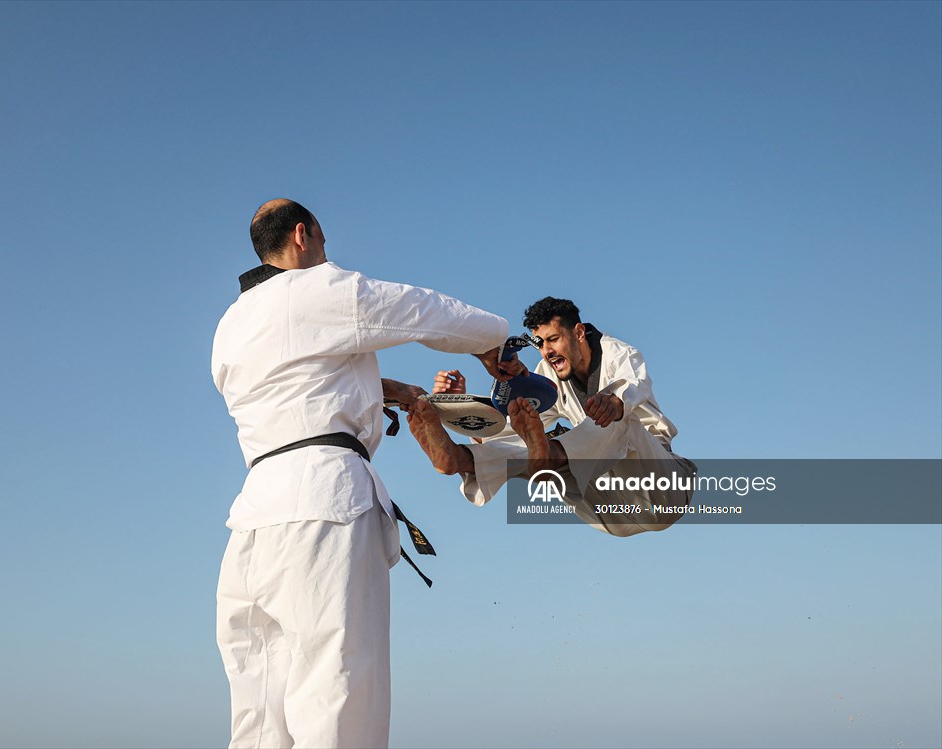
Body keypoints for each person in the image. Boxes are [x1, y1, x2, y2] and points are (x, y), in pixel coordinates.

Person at [211, 199, 511, 749]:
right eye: (323, 242)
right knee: (338, 695)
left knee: (259, 717)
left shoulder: (230, 325)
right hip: (323, 504)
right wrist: (493, 337)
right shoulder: (320, 289)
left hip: (253, 523)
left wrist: (386, 389)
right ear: (304, 235)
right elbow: (422, 310)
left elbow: (296, 385)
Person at [407, 296, 695, 537]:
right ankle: (458, 460)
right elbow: (509, 433)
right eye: (540, 343)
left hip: (661, 489)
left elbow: (634, 387)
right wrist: (463, 408)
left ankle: (550, 453)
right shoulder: (550, 375)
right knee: (532, 448)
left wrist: (616, 403)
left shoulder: (619, 354)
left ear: (579, 333)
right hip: (612, 511)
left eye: (554, 339)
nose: (546, 352)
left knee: (614, 420)